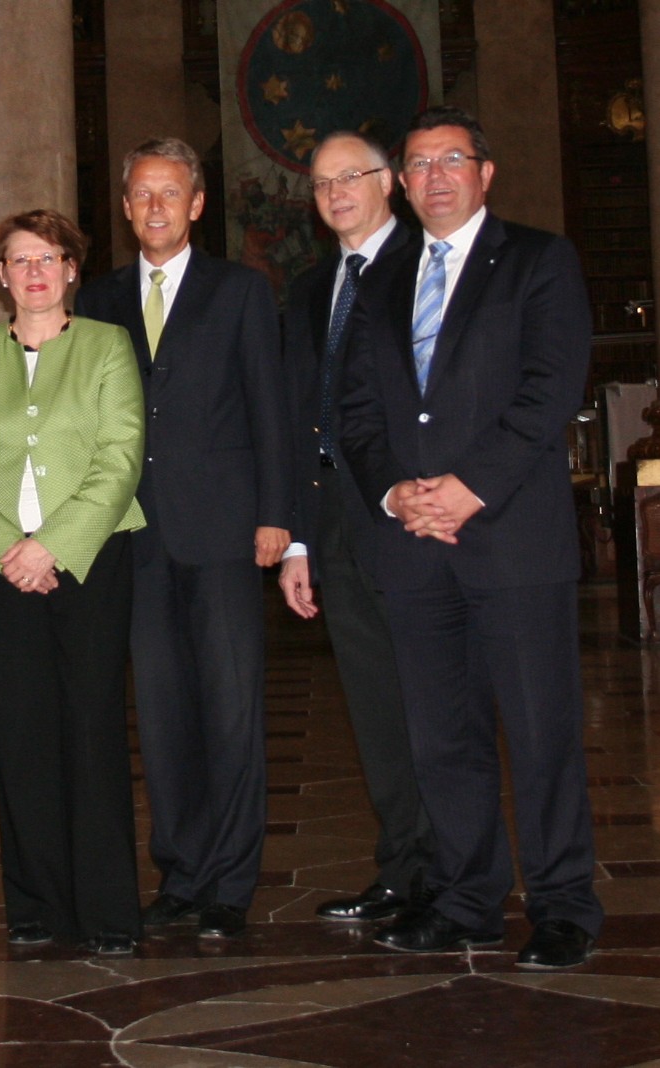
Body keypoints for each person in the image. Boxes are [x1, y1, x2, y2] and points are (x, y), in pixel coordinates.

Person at [340, 105, 603, 968]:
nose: (435, 175)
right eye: (417, 164)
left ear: (484, 173)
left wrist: (467, 489)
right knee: (440, 737)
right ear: (402, 185)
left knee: (538, 731)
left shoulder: (536, 259)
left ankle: (562, 904)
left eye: (452, 159)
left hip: (511, 539)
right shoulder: (378, 280)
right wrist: (392, 492)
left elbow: (549, 388)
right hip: (412, 545)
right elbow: (358, 409)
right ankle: (467, 899)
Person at [75, 137, 291, 940]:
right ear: (125, 208)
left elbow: (269, 408)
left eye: (170, 193)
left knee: (231, 710)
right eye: (141, 194)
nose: (156, 206)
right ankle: (181, 871)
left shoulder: (240, 291)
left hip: (227, 530)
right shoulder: (96, 301)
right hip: (132, 535)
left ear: (197, 205)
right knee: (161, 714)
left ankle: (229, 883)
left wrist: (277, 514)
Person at [0, 209, 145, 956]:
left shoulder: (107, 346)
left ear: (72, 269)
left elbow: (120, 456)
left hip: (92, 563)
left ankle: (107, 910)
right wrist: (10, 547)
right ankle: (35, 906)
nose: (35, 271)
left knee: (91, 729)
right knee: (20, 738)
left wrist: (53, 547)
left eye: (50, 257)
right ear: (0, 275)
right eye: (19, 259)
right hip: (0, 569)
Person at [278, 131, 433, 924]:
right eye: (321, 183)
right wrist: (299, 539)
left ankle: (454, 871)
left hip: (408, 516)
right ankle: (401, 869)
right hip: (334, 518)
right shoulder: (309, 291)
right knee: (373, 705)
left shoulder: (426, 267)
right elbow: (299, 418)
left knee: (434, 703)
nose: (335, 192)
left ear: (390, 184)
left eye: (352, 176)